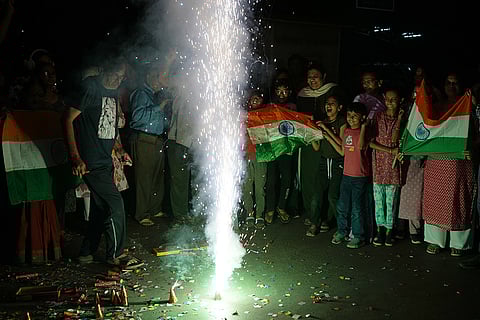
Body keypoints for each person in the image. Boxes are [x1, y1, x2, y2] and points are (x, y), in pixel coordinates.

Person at [64, 56, 129, 265]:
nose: (117, 80)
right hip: (91, 160)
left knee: (100, 209)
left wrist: (119, 149)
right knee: (115, 205)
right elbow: (67, 119)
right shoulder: (89, 88)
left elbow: (111, 123)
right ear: (103, 70)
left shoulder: (112, 91)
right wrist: (75, 157)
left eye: (122, 77)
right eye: (114, 75)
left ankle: (86, 252)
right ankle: (116, 255)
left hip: (106, 159)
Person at [423, 72, 476, 257]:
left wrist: (474, 150)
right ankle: (435, 240)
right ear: (443, 86)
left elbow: (477, 134)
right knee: (435, 199)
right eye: (448, 82)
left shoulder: (470, 108)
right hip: (437, 160)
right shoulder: (436, 108)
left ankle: (459, 243)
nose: (452, 86)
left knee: (459, 199)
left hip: (461, 161)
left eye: (455, 82)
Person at [297, 63, 343, 233]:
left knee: (331, 187)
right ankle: (313, 215)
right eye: (310, 76)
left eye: (316, 76)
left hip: (328, 143)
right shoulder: (302, 94)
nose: (313, 80)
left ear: (324, 76)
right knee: (311, 179)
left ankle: (328, 218)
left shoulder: (333, 91)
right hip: (312, 142)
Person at [129, 55, 175, 226]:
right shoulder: (141, 93)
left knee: (157, 177)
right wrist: (159, 107)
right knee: (144, 178)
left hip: (156, 140)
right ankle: (142, 213)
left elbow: (160, 118)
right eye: (156, 77)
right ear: (148, 77)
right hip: (143, 139)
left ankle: (155, 209)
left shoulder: (155, 95)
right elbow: (137, 117)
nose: (159, 81)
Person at [331, 102, 370, 248]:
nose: (351, 118)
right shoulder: (346, 131)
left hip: (359, 176)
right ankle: (342, 231)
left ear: (362, 117)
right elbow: (342, 151)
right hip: (346, 174)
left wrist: (364, 126)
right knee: (342, 205)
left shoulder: (364, 132)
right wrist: (327, 134)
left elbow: (360, 147)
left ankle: (358, 236)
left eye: (355, 116)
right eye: (349, 115)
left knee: (356, 208)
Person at [306, 94, 346, 236]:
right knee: (317, 194)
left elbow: (342, 145)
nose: (328, 105)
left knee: (333, 196)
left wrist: (327, 129)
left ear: (340, 107)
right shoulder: (322, 122)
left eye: (332, 103)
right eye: (327, 103)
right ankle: (314, 223)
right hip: (324, 162)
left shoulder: (342, 122)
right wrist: (310, 135)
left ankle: (343, 226)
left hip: (338, 163)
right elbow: (317, 148)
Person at [369, 88, 404, 247]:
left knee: (391, 201)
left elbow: (396, 139)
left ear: (400, 101)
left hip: (393, 166)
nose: (390, 102)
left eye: (394, 99)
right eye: (387, 99)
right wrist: (389, 150)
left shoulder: (403, 119)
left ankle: (390, 230)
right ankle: (379, 230)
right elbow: (370, 142)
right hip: (379, 165)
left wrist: (400, 120)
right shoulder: (377, 117)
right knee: (378, 200)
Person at [264, 80, 295, 225]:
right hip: (271, 149)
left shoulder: (292, 107)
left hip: (287, 149)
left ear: (289, 92)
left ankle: (281, 207)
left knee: (287, 179)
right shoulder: (269, 107)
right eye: (279, 91)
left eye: (285, 91)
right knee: (271, 181)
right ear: (274, 92)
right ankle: (270, 208)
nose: (282, 94)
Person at [243, 90, 268, 229]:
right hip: (246, 156)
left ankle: (260, 214)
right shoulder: (243, 116)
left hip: (261, 156)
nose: (254, 101)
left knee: (259, 187)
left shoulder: (266, 116)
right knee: (247, 186)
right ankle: (249, 212)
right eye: (252, 98)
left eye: (258, 99)